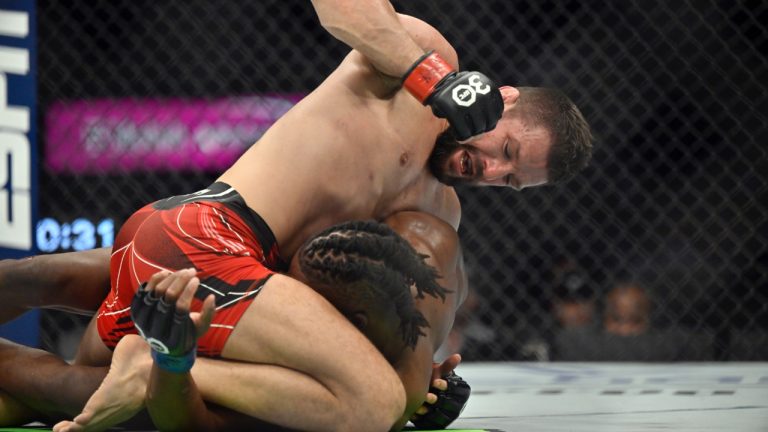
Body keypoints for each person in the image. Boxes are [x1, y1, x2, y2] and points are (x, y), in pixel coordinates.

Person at [1, 0, 592, 428]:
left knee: (72, 395)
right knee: (371, 405)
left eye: (509, 179)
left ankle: (98, 366)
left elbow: (359, 316)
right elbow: (341, 9)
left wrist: (427, 379)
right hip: (209, 235)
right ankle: (150, 361)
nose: (489, 170)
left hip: (229, 277)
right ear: (503, 98)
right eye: (505, 150)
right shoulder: (419, 65)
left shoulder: (437, 209)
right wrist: (436, 79)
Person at [0, 211, 466, 432]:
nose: (290, 300)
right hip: (211, 257)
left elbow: (195, 424)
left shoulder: (360, 386)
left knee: (63, 386)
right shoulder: (410, 239)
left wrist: (172, 362)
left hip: (176, 249)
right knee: (40, 290)